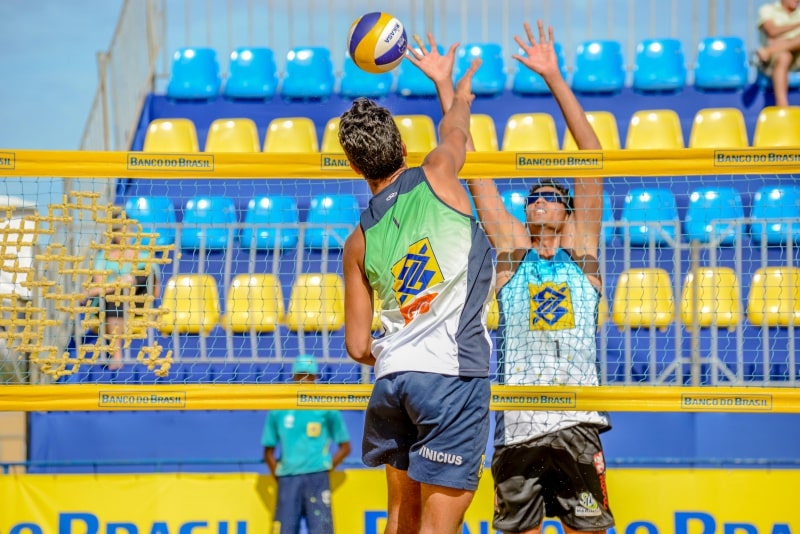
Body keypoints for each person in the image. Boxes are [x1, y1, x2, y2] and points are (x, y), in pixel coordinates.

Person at [340, 35, 495, 534]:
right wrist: (452, 88)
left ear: (354, 166)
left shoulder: (356, 242)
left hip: (393, 381)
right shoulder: (438, 173)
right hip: (449, 377)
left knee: (399, 521)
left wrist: (401, 343)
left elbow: (358, 345)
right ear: (404, 148)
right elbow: (455, 128)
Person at [465, 21, 615, 533]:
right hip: (518, 425)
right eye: (532, 194)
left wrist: (553, 75)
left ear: (569, 212)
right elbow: (477, 173)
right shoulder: (511, 253)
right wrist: (450, 92)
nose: (539, 198)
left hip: (577, 421)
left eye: (551, 194)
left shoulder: (583, 252)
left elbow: (591, 156)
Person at [261, 354, 352, 534]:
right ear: (293, 377)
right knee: (285, 531)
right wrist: (280, 475)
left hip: (317, 476)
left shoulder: (327, 406)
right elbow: (268, 452)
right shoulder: (279, 408)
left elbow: (345, 447)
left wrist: (325, 466)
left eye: (309, 376)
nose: (304, 380)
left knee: (322, 530)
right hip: (288, 478)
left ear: (316, 378)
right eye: (300, 375)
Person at [84, 211, 161, 370]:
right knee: (114, 298)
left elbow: (155, 292)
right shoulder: (103, 258)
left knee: (144, 273)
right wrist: (120, 283)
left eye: (129, 230)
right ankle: (116, 356)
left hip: (137, 302)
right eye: (120, 230)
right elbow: (96, 289)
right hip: (113, 302)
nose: (125, 234)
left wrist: (131, 282)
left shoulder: (144, 256)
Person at [755, 0, 800, 107]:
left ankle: (769, 51)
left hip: (797, 58)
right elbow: (772, 31)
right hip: (772, 62)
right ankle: (782, 105)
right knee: (784, 56)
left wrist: (780, 43)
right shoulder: (767, 10)